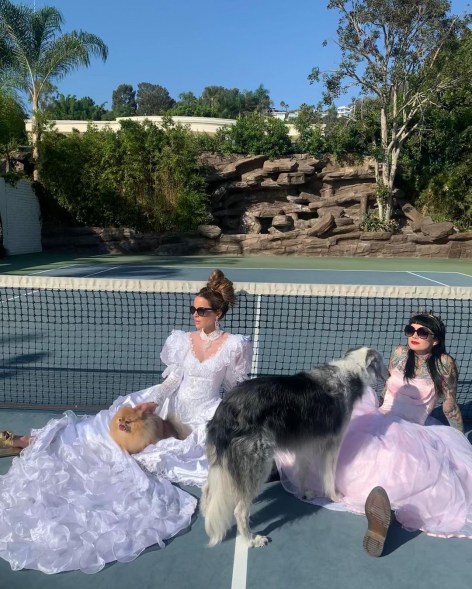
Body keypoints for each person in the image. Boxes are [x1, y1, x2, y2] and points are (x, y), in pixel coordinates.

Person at [0, 269, 252, 574]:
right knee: (98, 429)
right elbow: (173, 380)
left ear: (219, 313)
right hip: (169, 405)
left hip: (201, 417)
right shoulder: (182, 341)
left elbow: (236, 388)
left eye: (202, 310)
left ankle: (31, 442)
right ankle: (34, 440)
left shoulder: (234, 345)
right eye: (193, 309)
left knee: (143, 454)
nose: (195, 315)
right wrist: (151, 402)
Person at [276, 312, 472, 556]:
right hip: (382, 418)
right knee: (339, 438)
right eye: (410, 329)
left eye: (422, 332)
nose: (414, 335)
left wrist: (459, 441)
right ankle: (290, 465)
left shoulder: (445, 364)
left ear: (435, 339)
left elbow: (450, 405)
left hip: (413, 429)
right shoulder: (400, 353)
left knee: (398, 469)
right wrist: (371, 413)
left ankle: (381, 515)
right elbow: (389, 386)